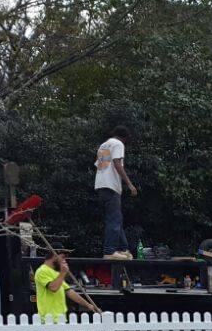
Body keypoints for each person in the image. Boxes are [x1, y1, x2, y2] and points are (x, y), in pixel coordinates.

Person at [94, 126, 138, 260]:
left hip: (101, 185)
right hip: (111, 186)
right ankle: (109, 251)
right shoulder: (118, 143)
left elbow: (101, 166)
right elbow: (117, 163)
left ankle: (123, 249)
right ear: (124, 137)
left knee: (115, 218)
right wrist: (129, 184)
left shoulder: (104, 145)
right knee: (114, 219)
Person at [33, 249, 100, 320]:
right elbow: (53, 288)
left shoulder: (56, 273)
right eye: (63, 257)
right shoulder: (41, 271)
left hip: (60, 319)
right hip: (48, 319)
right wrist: (63, 272)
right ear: (54, 256)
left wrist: (88, 305)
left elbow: (69, 292)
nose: (64, 260)